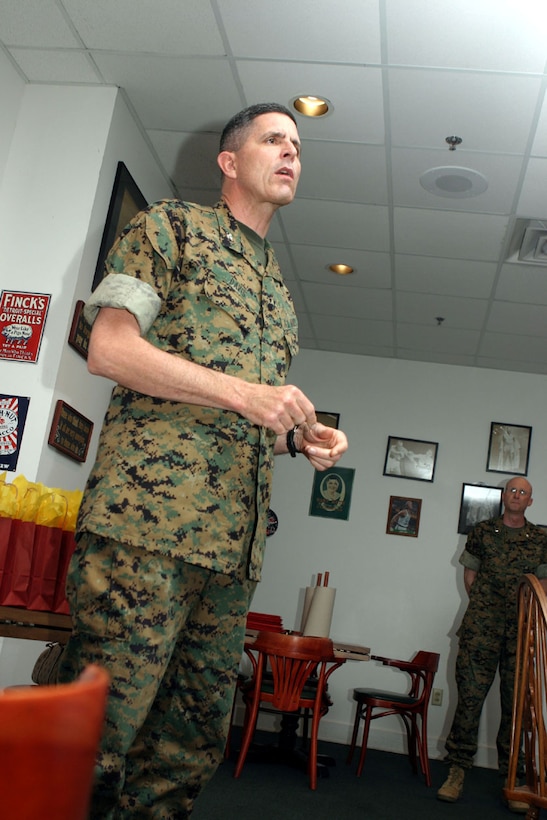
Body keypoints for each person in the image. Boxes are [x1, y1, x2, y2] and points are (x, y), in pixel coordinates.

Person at [57, 102, 348, 819]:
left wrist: (294, 436)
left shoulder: (278, 296)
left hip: (231, 555)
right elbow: (110, 350)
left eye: (298, 147)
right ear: (228, 161)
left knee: (184, 754)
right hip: (143, 534)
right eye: (274, 140)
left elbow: (240, 416)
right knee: (92, 741)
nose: (290, 154)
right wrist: (249, 394)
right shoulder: (169, 228)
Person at [437, 476, 547, 813]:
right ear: (504, 497)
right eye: (512, 490)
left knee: (517, 708)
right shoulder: (483, 532)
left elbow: (543, 582)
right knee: (469, 700)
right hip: (481, 631)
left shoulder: (540, 538)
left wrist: (524, 615)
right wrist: (486, 607)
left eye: (523, 492)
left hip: (522, 633)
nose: (516, 495)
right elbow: (470, 575)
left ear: (530, 501)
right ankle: (456, 772)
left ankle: (514, 780)